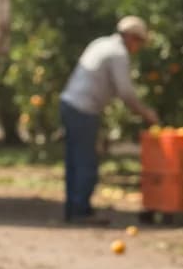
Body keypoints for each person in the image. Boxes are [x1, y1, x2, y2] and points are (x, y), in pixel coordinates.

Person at [59, 16, 161, 224]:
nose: (138, 48)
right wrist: (146, 113)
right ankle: (80, 212)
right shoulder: (118, 53)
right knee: (86, 161)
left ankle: (74, 210)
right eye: (139, 42)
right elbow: (125, 92)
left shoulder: (101, 43)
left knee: (75, 161)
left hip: (69, 103)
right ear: (132, 38)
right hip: (83, 109)